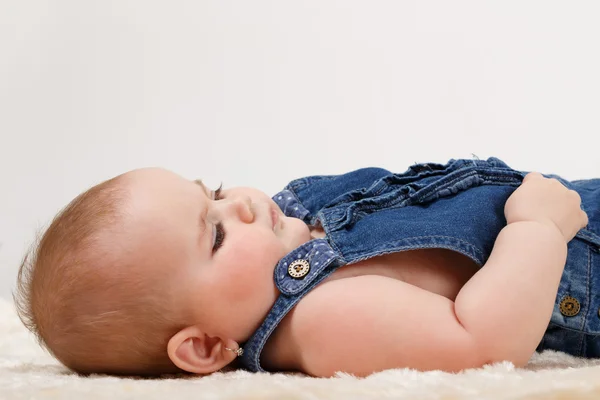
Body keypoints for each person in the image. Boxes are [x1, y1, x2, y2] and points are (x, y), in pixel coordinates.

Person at [13, 156, 597, 377]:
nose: (237, 203)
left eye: (211, 191)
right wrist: (536, 229)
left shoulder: (299, 224)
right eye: (214, 234)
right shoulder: (319, 318)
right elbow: (483, 344)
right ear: (205, 346)